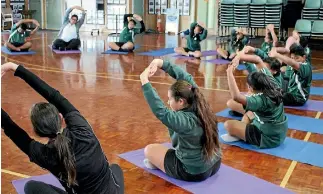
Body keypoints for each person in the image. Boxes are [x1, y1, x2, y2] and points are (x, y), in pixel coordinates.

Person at [1, 62, 124, 194]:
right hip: (113, 191)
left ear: (37, 132)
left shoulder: (44, 155)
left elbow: (11, 129)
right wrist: (15, 68)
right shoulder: (81, 127)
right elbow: (54, 95)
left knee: (30, 187)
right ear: (60, 117)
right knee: (115, 167)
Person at [139, 59, 221, 182]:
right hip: (215, 163)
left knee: (149, 150)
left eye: (170, 99)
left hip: (194, 172)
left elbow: (161, 111)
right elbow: (184, 77)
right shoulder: (198, 99)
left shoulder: (185, 121)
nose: (168, 102)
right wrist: (159, 63)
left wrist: (145, 81)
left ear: (181, 101)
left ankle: (163, 165)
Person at [223, 56, 288, 148]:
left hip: (268, 138)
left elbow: (236, 97)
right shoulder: (271, 82)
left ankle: (243, 134)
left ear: (251, 87)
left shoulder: (260, 100)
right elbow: (258, 60)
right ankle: (243, 132)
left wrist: (229, 73)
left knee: (228, 125)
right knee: (247, 114)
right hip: (278, 132)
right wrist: (239, 57)